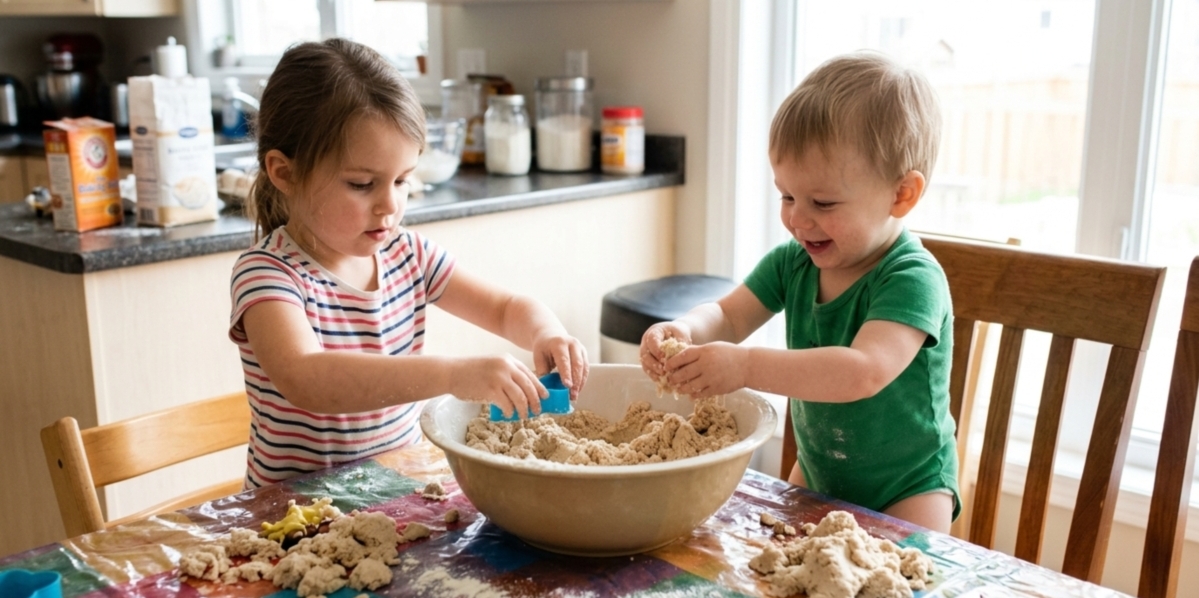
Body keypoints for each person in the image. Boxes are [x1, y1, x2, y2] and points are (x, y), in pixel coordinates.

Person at [229, 38, 589, 489]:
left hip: (396, 491)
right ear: (285, 172)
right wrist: (454, 374)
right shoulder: (268, 275)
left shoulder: (409, 255)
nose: (389, 206)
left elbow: (504, 308)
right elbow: (308, 378)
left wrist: (547, 332)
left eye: (402, 180)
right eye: (362, 184)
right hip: (295, 517)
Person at [640, 52, 958, 533]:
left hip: (908, 489)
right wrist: (683, 329)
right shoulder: (795, 262)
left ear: (902, 195)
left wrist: (745, 366)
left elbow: (862, 373)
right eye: (787, 195)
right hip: (817, 470)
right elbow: (727, 317)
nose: (797, 219)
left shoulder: (913, 278)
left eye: (823, 202)